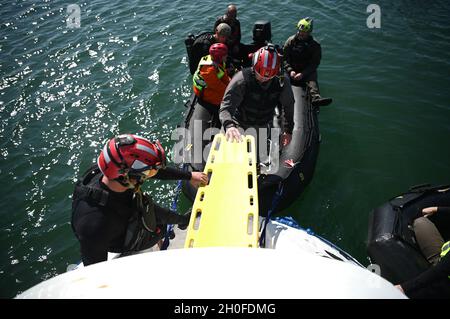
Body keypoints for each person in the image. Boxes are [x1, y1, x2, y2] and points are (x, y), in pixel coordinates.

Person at [71, 134, 208, 266]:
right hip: (126, 236)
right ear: (127, 177)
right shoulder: (94, 225)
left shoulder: (112, 172)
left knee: (165, 216)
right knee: (158, 229)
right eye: (148, 173)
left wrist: (189, 176)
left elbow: (153, 170)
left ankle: (183, 222)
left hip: (133, 209)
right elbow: (95, 271)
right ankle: (164, 234)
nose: (151, 175)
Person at [219, 44, 294, 149]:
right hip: (238, 123)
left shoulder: (282, 82)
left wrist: (288, 130)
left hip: (262, 125)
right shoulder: (241, 80)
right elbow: (225, 107)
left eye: (269, 77)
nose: (263, 79)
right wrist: (229, 126)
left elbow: (289, 105)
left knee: (256, 158)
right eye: (260, 75)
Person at [395, 206, 450, 298]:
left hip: (444, 276)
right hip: (443, 255)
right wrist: (436, 209)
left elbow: (441, 269)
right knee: (420, 222)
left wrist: (403, 288)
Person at [283, 17, 332, 107]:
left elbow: (314, 64)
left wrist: (303, 74)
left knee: (312, 79)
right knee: (282, 79)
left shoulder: (315, 45)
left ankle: (315, 98)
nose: (301, 34)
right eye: (300, 31)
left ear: (309, 33)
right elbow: (284, 58)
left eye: (304, 33)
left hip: (306, 69)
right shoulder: (290, 41)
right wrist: (290, 70)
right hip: (292, 68)